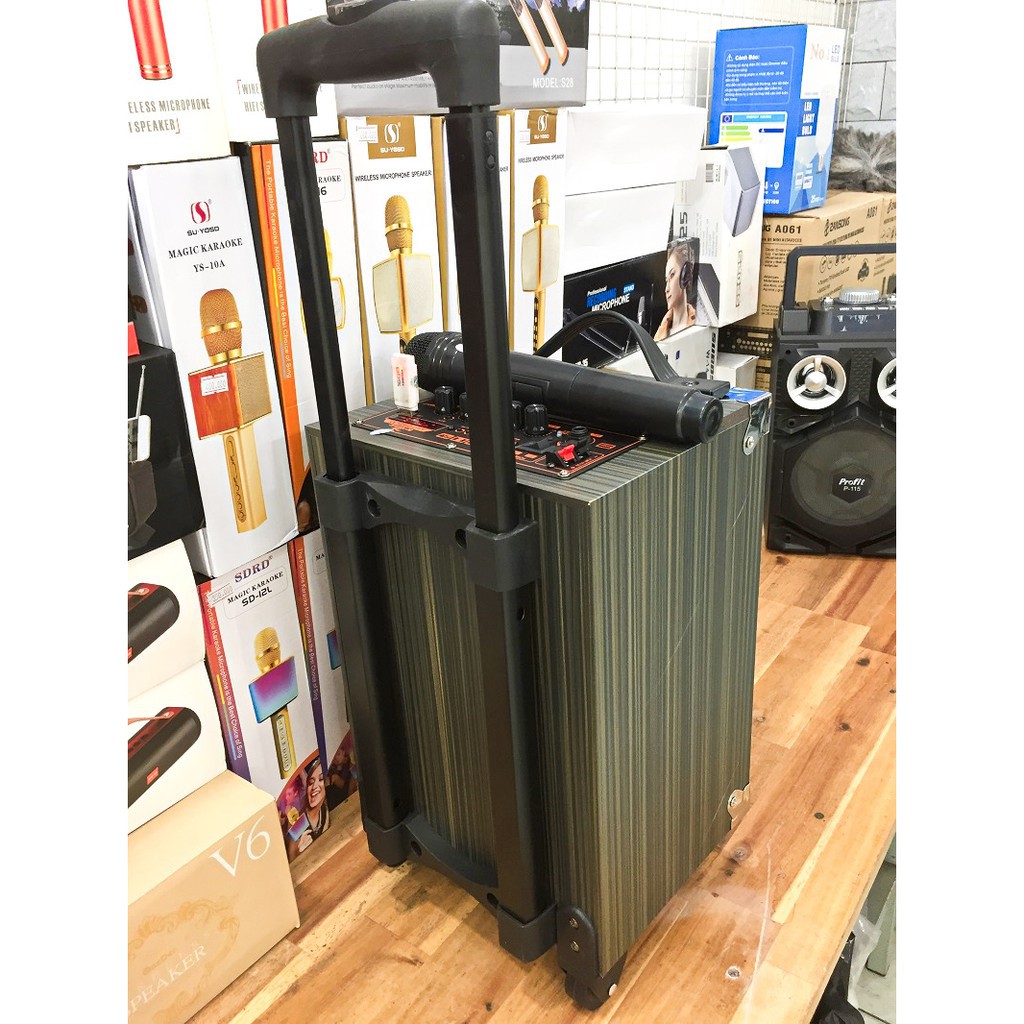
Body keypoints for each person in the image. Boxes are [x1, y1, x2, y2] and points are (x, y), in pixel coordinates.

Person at [285, 757, 330, 861]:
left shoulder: (324, 811)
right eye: (310, 782)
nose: (315, 786)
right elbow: (291, 857)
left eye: (321, 779)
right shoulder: (301, 821)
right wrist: (299, 852)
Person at [654, 239, 698, 340]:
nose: (666, 289)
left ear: (685, 275)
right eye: (666, 280)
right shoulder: (658, 337)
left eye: (672, 275)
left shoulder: (700, 322)